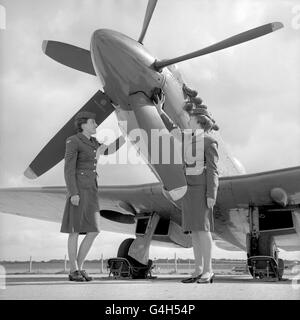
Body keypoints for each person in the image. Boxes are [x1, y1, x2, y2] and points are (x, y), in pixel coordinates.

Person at [154, 93, 219, 284]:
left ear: (199, 121)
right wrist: (159, 111)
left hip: (201, 190)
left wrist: (211, 194)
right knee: (194, 231)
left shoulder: (209, 141)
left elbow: (213, 171)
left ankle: (208, 270)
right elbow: (171, 129)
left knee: (203, 231)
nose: (188, 121)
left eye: (191, 119)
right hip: (188, 190)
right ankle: (198, 270)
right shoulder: (188, 138)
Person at [60, 111, 125, 281]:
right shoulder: (73, 141)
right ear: (83, 125)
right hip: (79, 190)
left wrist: (126, 133)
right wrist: (73, 193)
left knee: (94, 230)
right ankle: (74, 270)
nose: (96, 125)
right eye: (93, 122)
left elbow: (109, 149)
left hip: (92, 189)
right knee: (74, 230)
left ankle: (79, 267)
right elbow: (68, 169)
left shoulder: (93, 142)